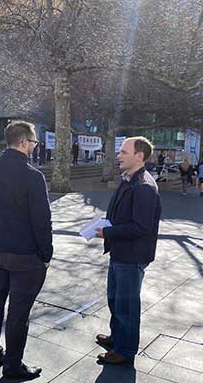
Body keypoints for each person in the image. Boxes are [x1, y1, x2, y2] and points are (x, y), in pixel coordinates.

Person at [0, 120, 52, 381]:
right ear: (23, 142)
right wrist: (46, 254)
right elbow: (42, 221)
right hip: (25, 255)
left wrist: (2, 209)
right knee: (18, 312)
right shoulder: (33, 176)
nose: (34, 146)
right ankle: (13, 366)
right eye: (33, 142)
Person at [95, 136, 161, 365]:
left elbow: (141, 227)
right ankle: (117, 339)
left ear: (139, 156)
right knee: (116, 301)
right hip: (120, 252)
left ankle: (125, 351)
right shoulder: (129, 179)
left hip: (132, 256)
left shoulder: (144, 187)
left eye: (124, 152)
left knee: (127, 307)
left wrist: (108, 232)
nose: (119, 155)